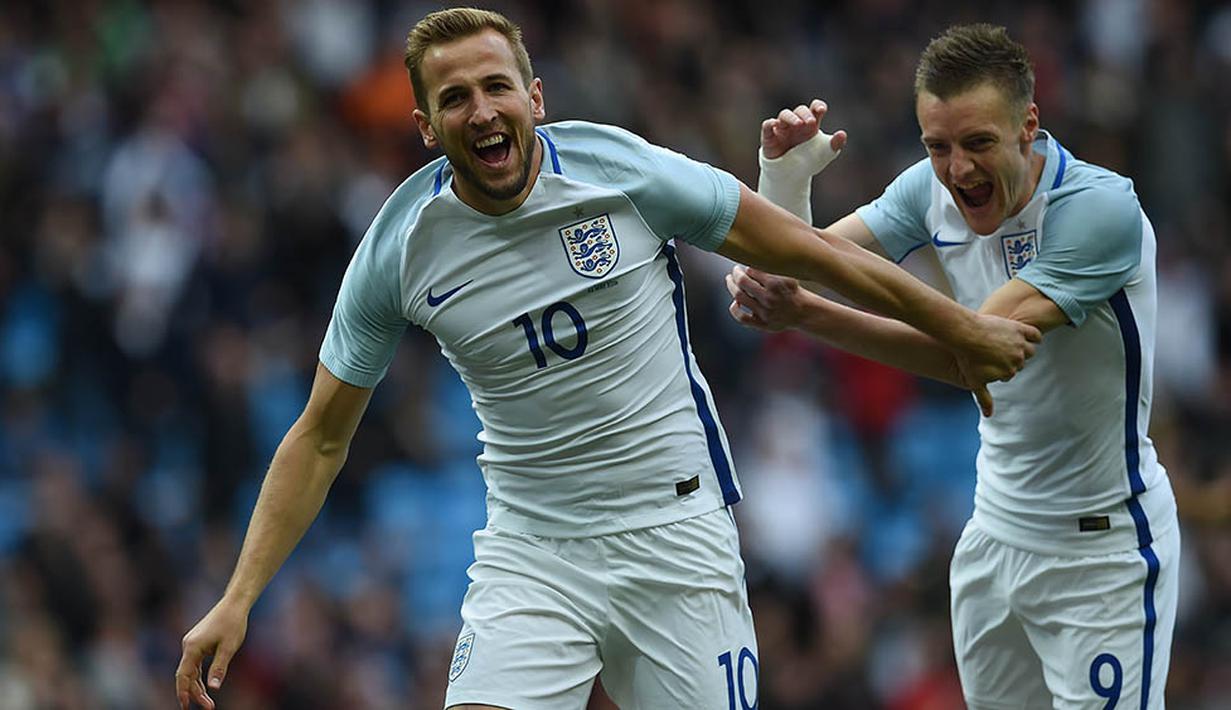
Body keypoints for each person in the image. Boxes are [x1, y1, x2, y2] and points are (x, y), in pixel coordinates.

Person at [174, 9, 1039, 710]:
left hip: (675, 534)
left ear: (534, 96)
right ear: (426, 127)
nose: (481, 111)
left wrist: (959, 330)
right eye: (455, 98)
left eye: (496, 86)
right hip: (533, 547)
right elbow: (321, 437)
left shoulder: (621, 171)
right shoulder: (400, 248)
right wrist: (237, 598)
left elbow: (814, 254)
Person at [728, 23, 1179, 709]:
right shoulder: (926, 189)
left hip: (1101, 551)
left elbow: (972, 351)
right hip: (993, 534)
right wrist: (781, 184)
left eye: (978, 143)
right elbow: (793, 268)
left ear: (1028, 127)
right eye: (937, 146)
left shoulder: (1098, 211)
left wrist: (809, 310)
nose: (958, 169)